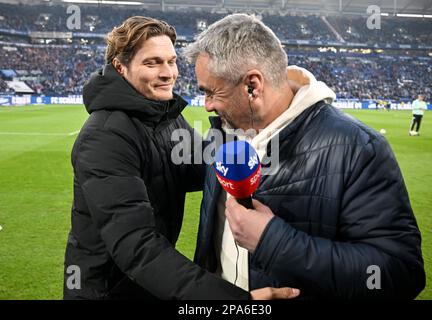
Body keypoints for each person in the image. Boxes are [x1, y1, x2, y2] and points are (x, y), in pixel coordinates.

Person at [184, 14, 425, 299]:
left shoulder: (358, 147)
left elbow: (400, 273)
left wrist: (272, 241)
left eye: (211, 92)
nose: (207, 106)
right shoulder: (224, 132)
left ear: (252, 86)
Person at [63, 16, 299, 300]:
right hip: (105, 292)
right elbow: (137, 247)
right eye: (152, 63)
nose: (168, 73)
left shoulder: (164, 118)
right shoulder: (105, 137)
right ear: (120, 67)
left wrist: (250, 117)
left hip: (147, 285)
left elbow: (207, 164)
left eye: (171, 61)